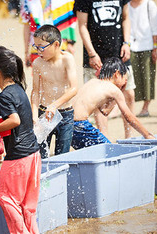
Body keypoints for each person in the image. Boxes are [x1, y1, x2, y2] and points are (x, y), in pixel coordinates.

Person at [0, 46, 41, 234]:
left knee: (4, 196)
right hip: (33, 155)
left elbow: (14, 120)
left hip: (18, 157)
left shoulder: (4, 95)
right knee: (28, 206)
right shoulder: (18, 89)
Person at [74, 0, 136, 139]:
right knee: (99, 101)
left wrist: (126, 43)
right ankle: (104, 139)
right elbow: (82, 26)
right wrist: (92, 53)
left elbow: (126, 18)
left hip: (120, 53)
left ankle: (129, 137)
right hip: (96, 56)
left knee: (129, 94)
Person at [72, 57, 155, 150]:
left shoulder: (94, 81)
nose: (125, 83)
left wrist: (118, 94)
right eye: (125, 79)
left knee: (88, 152)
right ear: (117, 74)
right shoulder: (114, 89)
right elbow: (129, 117)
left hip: (67, 123)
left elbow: (105, 111)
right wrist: (147, 135)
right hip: (80, 125)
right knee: (109, 150)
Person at [31, 25, 78, 158]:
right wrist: (34, 117)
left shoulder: (67, 59)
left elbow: (74, 88)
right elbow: (35, 92)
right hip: (45, 114)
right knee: (41, 155)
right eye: (36, 47)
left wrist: (54, 105)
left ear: (56, 44)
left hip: (65, 114)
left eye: (41, 47)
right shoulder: (38, 63)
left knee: (62, 156)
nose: (38, 51)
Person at [20, 0, 77, 67]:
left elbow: (71, 19)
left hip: (59, 46)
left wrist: (70, 43)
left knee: (59, 75)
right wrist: (26, 51)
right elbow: (27, 25)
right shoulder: (28, 1)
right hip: (37, 48)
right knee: (39, 75)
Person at [129, 0, 157, 117]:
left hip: (147, 46)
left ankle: (145, 108)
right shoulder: (127, 4)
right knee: (131, 78)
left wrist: (155, 48)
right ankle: (129, 108)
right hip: (131, 46)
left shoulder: (149, 4)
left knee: (147, 77)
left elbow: (156, 28)